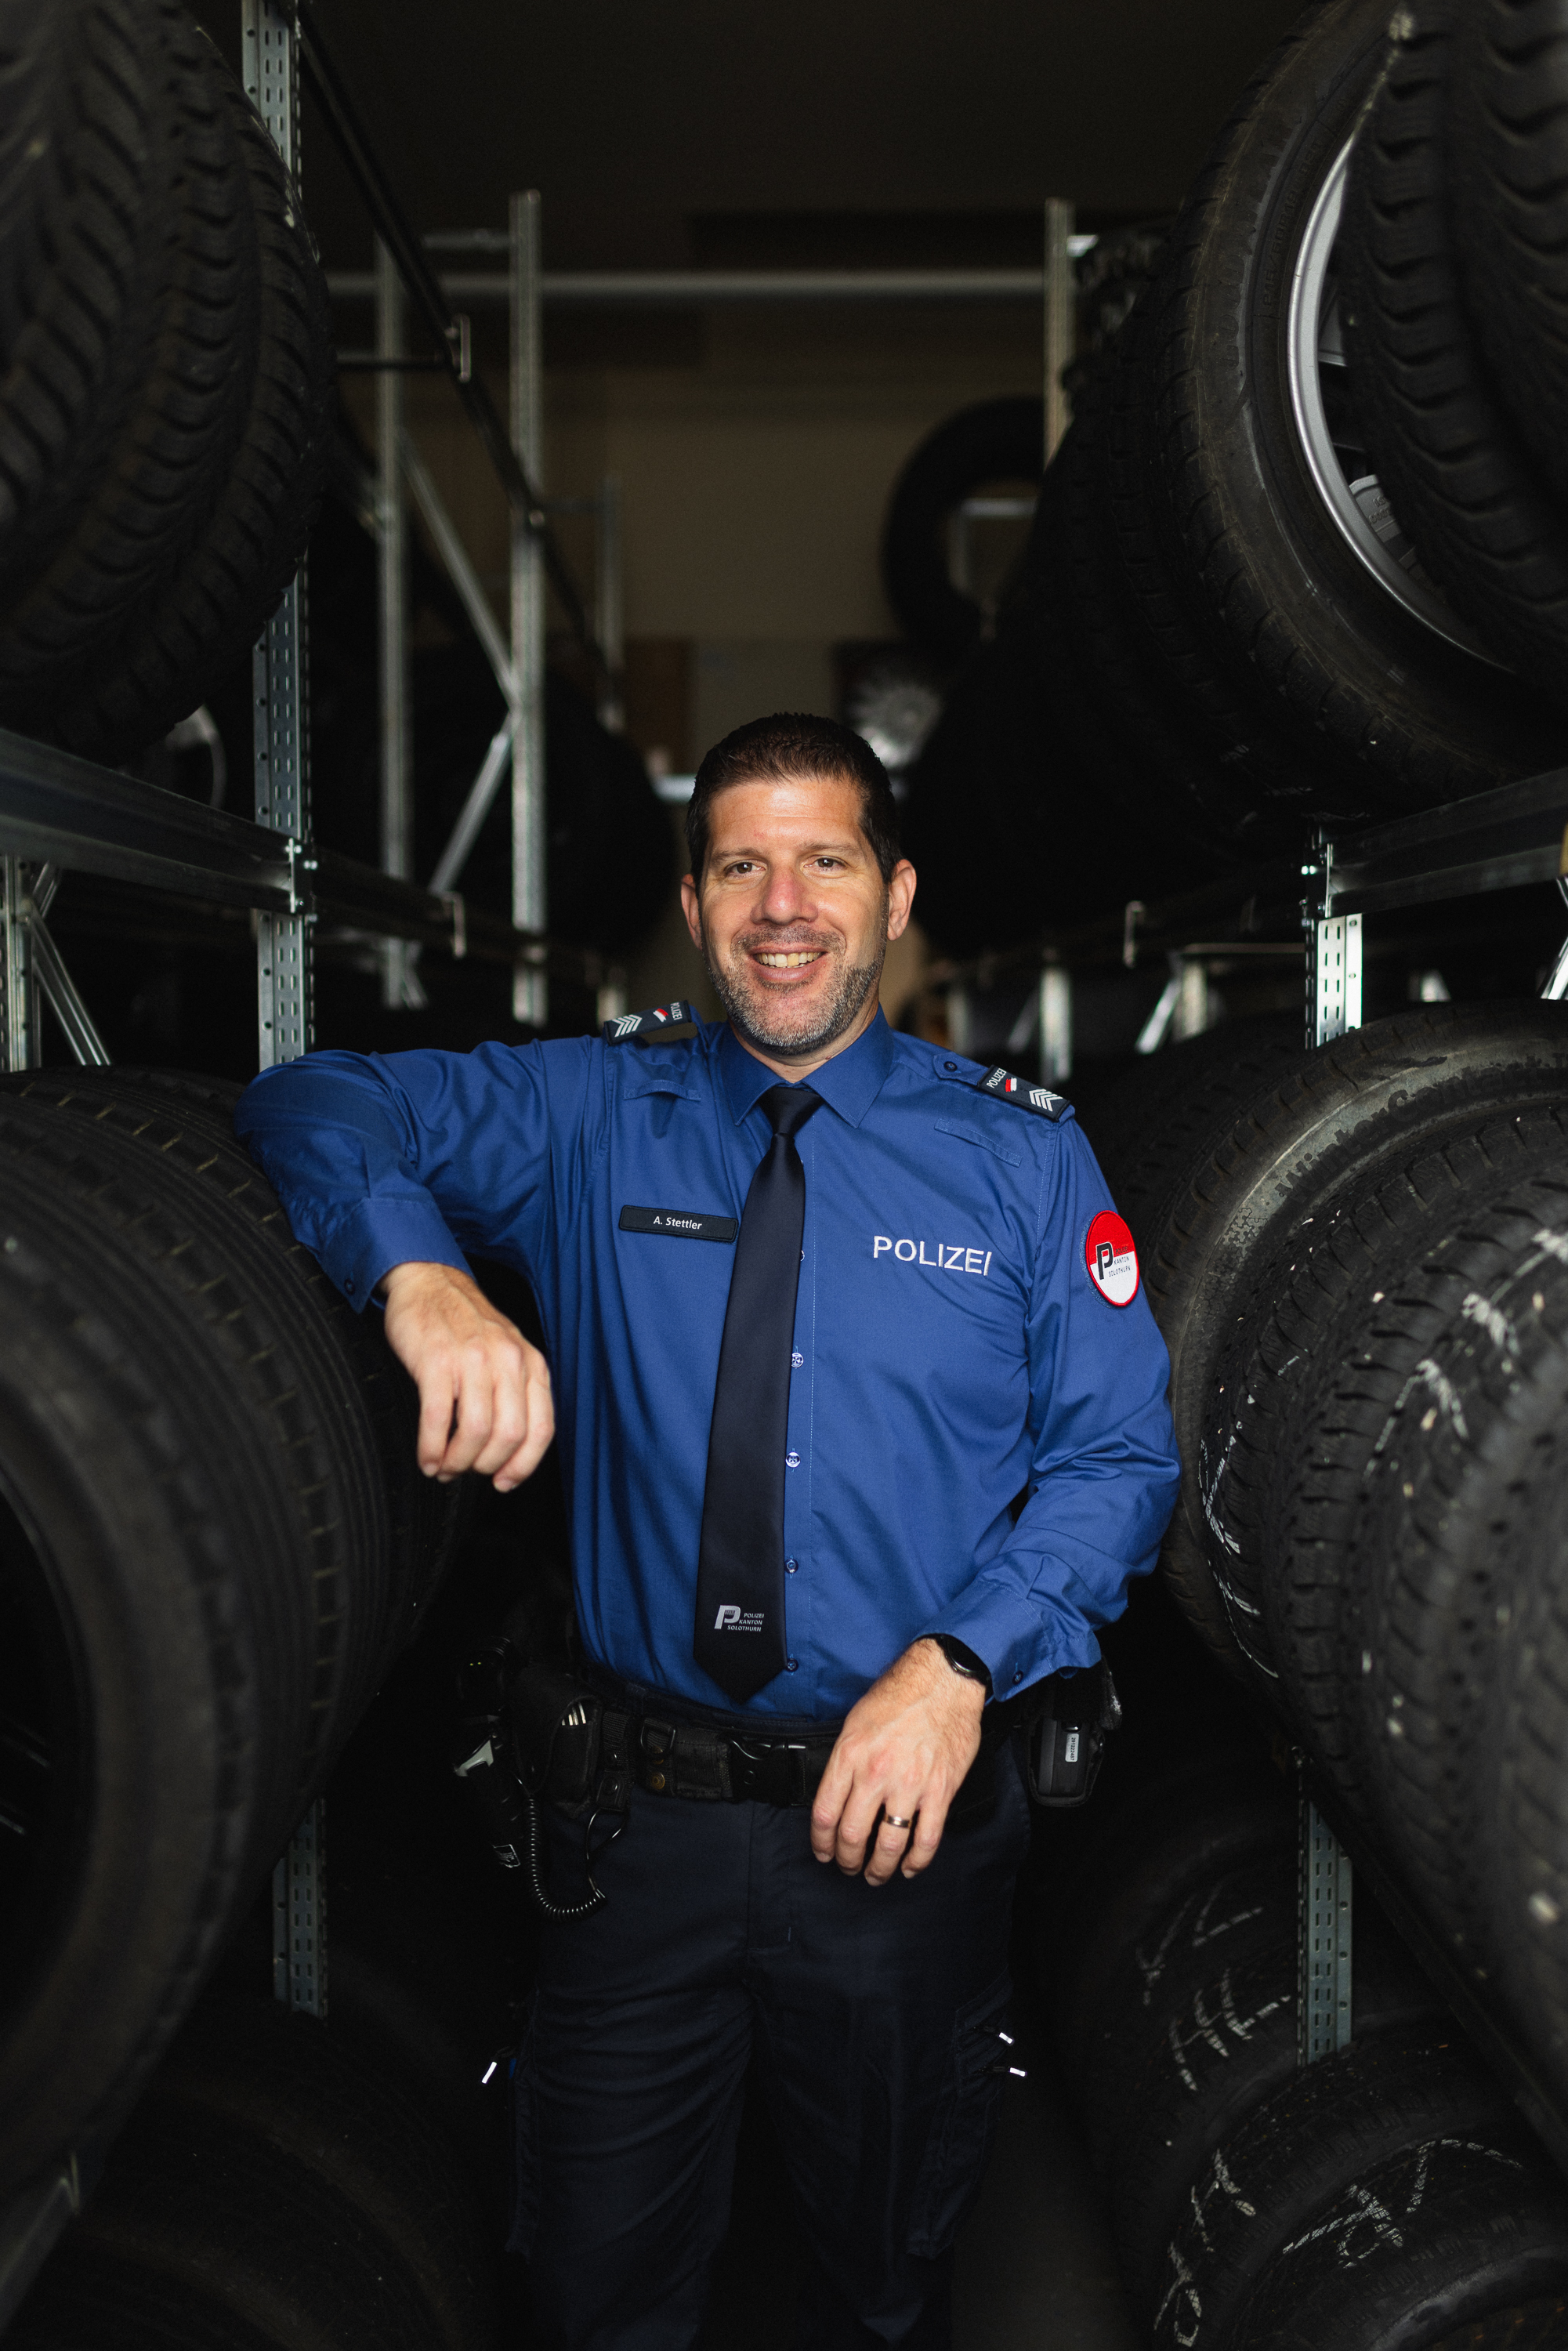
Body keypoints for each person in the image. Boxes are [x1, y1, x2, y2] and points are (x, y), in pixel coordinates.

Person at [236, 712, 1179, 2351]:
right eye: (741, 865)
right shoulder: (589, 1112)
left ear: (895, 896)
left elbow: (1115, 1459)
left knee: (882, 2285)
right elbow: (309, 1097)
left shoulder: (1021, 1160)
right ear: (691, 903)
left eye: (823, 862)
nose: (781, 906)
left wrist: (959, 1668)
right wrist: (424, 1277)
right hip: (636, 1837)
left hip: (902, 1830)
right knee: (593, 2288)